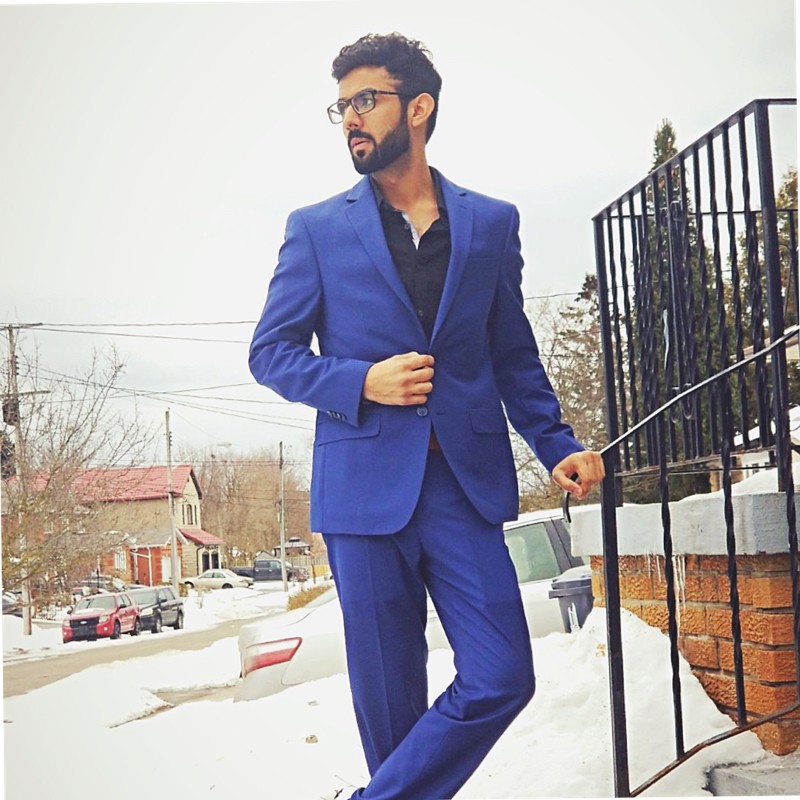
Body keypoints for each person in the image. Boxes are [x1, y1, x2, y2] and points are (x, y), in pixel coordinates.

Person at [249, 32, 604, 800]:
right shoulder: (316, 229)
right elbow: (271, 353)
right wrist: (361, 381)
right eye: (341, 106)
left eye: (364, 100)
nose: (350, 118)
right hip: (362, 492)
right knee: (391, 713)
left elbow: (512, 354)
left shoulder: (490, 224)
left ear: (418, 107)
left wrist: (557, 445)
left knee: (502, 673)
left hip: (461, 487)